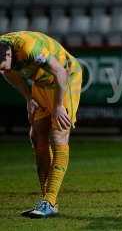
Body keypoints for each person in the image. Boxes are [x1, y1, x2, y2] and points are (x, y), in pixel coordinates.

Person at [0, 31, 82, 218]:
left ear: (9, 54)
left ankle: (50, 201)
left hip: (65, 79)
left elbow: (60, 71)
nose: (3, 70)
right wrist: (28, 98)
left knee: (58, 134)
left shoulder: (30, 48)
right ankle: (47, 201)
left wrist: (59, 106)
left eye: (3, 65)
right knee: (37, 137)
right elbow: (8, 72)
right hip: (41, 83)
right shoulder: (3, 52)